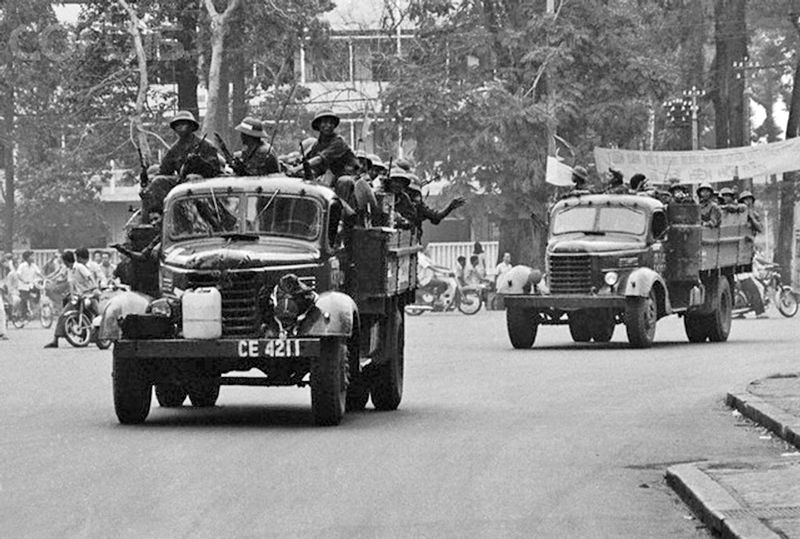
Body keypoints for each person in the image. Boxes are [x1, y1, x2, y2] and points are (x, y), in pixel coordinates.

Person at [44, 250, 99, 348]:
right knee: (63, 315)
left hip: (88, 294)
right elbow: (71, 285)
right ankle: (55, 340)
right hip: (78, 296)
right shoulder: (70, 270)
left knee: (97, 313)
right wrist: (73, 296)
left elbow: (90, 277)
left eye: (64, 261)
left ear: (66, 261)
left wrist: (94, 288)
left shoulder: (79, 267)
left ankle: (99, 335)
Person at [158, 110, 222, 178]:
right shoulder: (174, 150)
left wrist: (200, 162)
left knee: (192, 177)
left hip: (203, 182)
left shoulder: (206, 146)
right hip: (182, 182)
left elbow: (215, 170)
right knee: (159, 180)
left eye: (183, 124)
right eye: (177, 125)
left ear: (191, 126)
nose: (180, 127)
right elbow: (164, 170)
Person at [16, 250, 43, 319]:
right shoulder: (22, 266)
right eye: (31, 256)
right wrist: (23, 280)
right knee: (24, 300)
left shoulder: (34, 265)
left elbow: (39, 273)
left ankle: (34, 310)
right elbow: (18, 275)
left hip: (31, 286)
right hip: (23, 286)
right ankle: (22, 314)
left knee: (37, 294)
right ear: (27, 258)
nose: (33, 258)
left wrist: (44, 278)